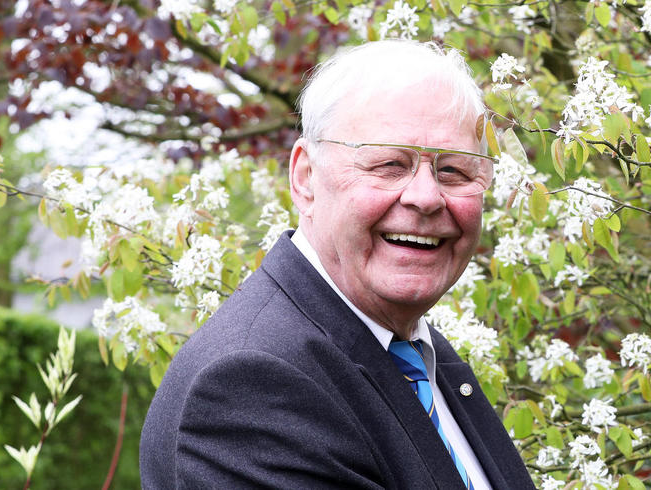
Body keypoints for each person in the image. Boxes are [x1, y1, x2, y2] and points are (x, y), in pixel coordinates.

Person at [140, 40, 534, 489]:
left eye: (454, 172)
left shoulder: (414, 352)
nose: (426, 197)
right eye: (389, 163)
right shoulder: (254, 385)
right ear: (305, 178)